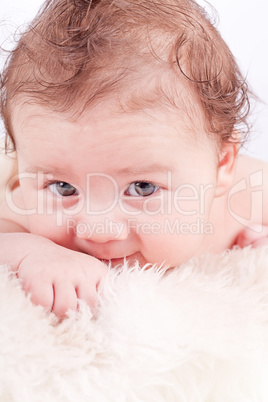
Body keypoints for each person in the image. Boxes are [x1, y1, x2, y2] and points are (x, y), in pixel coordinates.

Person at [0, 0, 267, 318]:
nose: (98, 229)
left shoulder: (244, 194)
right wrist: (31, 252)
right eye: (62, 187)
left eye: (141, 187)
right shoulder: (22, 201)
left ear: (222, 165)